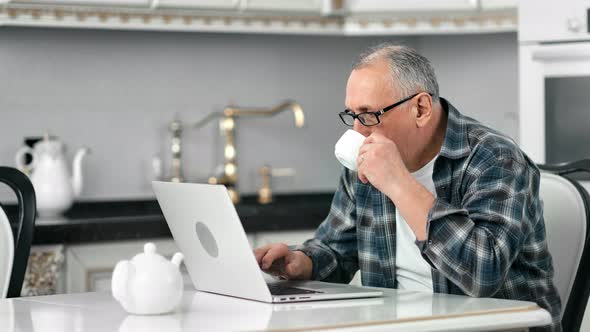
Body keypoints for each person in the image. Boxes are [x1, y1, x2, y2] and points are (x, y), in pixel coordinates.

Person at [254, 44, 561, 331]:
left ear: (421, 109)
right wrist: (301, 263)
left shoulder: (495, 158)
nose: (358, 130)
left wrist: (397, 182)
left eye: (369, 115)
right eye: (352, 115)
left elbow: (482, 274)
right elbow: (337, 249)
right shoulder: (364, 160)